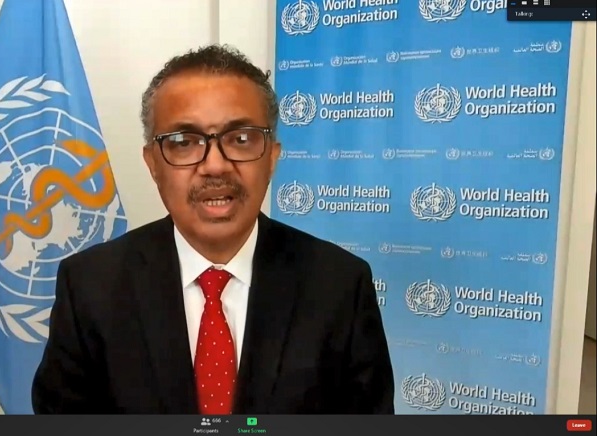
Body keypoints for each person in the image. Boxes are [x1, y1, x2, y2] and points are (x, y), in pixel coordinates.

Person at [31, 44, 394, 414]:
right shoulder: (90, 286)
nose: (215, 166)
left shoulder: (340, 286)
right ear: (153, 164)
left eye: (240, 139)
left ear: (272, 157)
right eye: (184, 142)